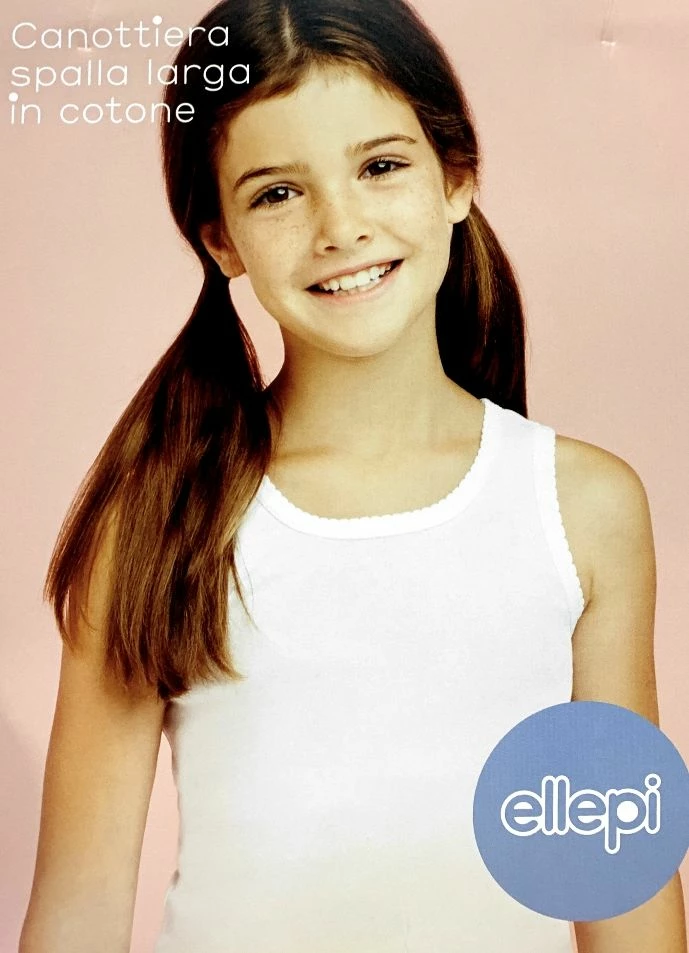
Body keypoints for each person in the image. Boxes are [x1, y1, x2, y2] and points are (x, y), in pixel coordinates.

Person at [19, 0, 687, 951]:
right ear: (219, 239)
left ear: (456, 175)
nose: (340, 227)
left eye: (379, 167)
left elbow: (620, 888)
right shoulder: (161, 520)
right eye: (276, 193)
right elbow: (77, 913)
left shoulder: (582, 509)